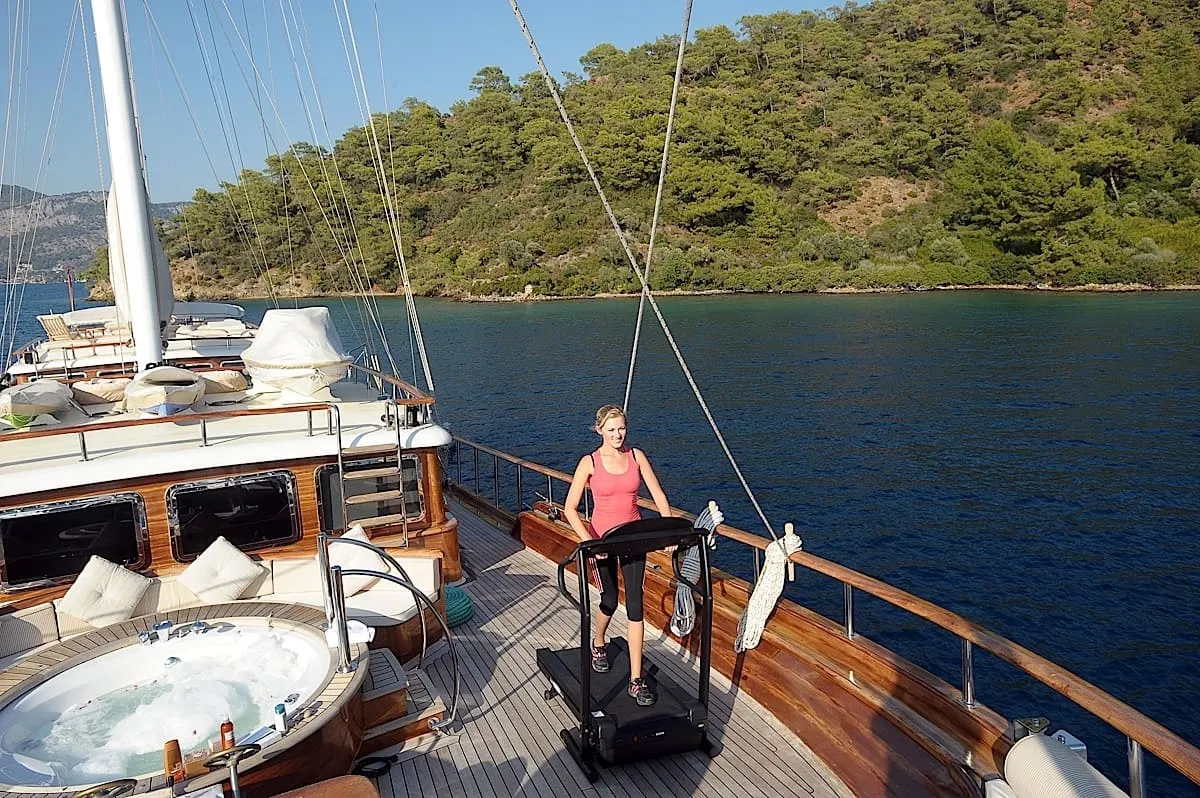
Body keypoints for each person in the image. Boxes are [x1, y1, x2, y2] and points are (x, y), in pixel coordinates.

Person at [564, 404, 672, 707]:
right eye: (611, 429)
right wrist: (589, 543)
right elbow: (570, 508)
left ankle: (636, 680)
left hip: (633, 538)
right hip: (602, 542)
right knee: (610, 600)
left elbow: (658, 494)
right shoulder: (589, 463)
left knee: (635, 606)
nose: (617, 434)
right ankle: (598, 641)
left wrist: (668, 530)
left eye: (621, 428)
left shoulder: (636, 456)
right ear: (599, 430)